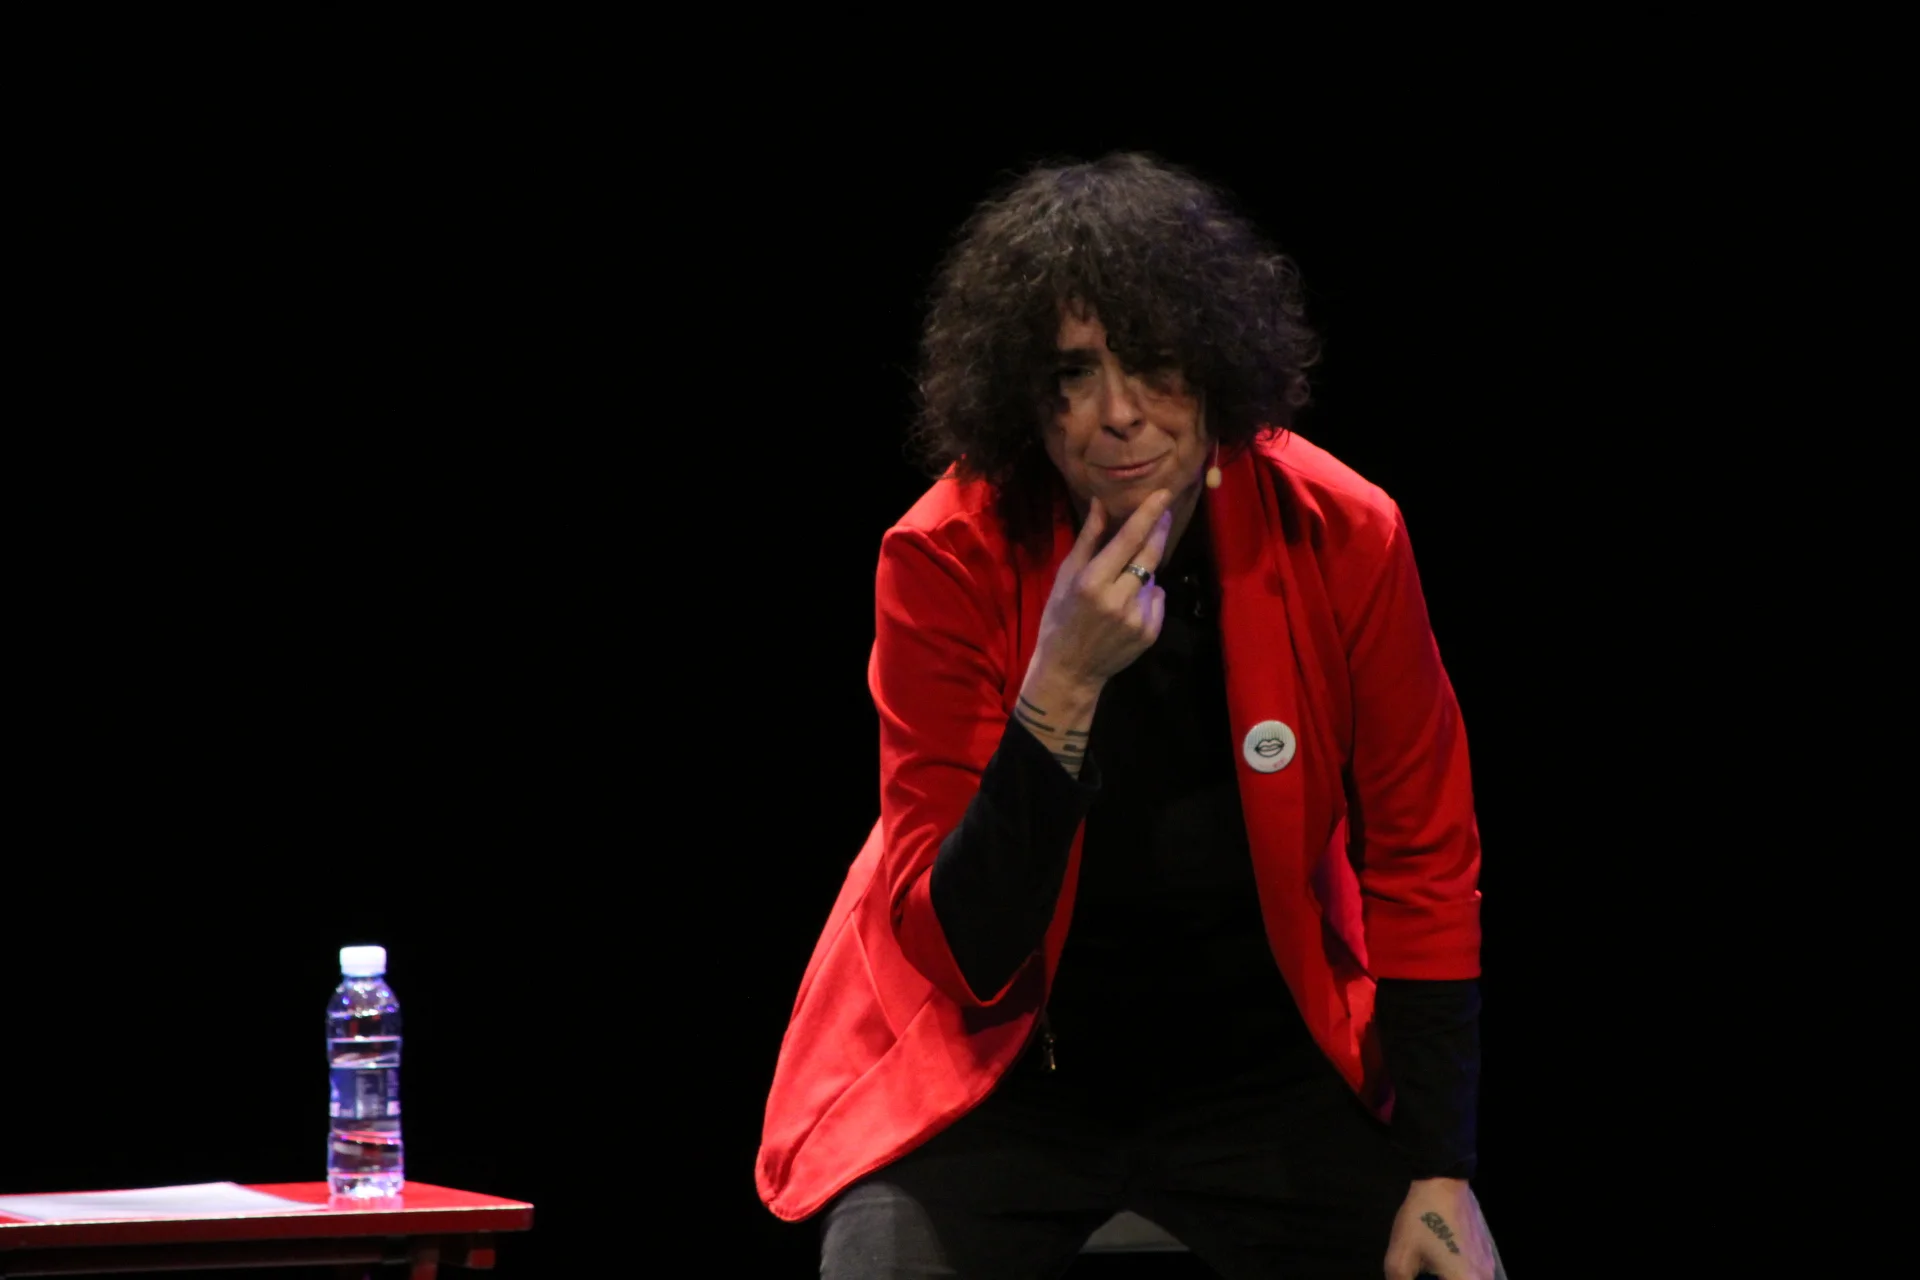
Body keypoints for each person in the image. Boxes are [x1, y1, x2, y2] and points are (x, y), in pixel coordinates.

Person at [756, 152, 1503, 1279]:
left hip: (1263, 1076)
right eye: (1073, 374)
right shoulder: (941, 555)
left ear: (1214, 362)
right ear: (1023, 399)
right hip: (1008, 1078)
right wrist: (1059, 686)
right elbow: (963, 947)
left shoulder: (1344, 532)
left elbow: (1424, 861)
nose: (1119, 414)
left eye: (1152, 361)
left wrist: (1441, 1167)